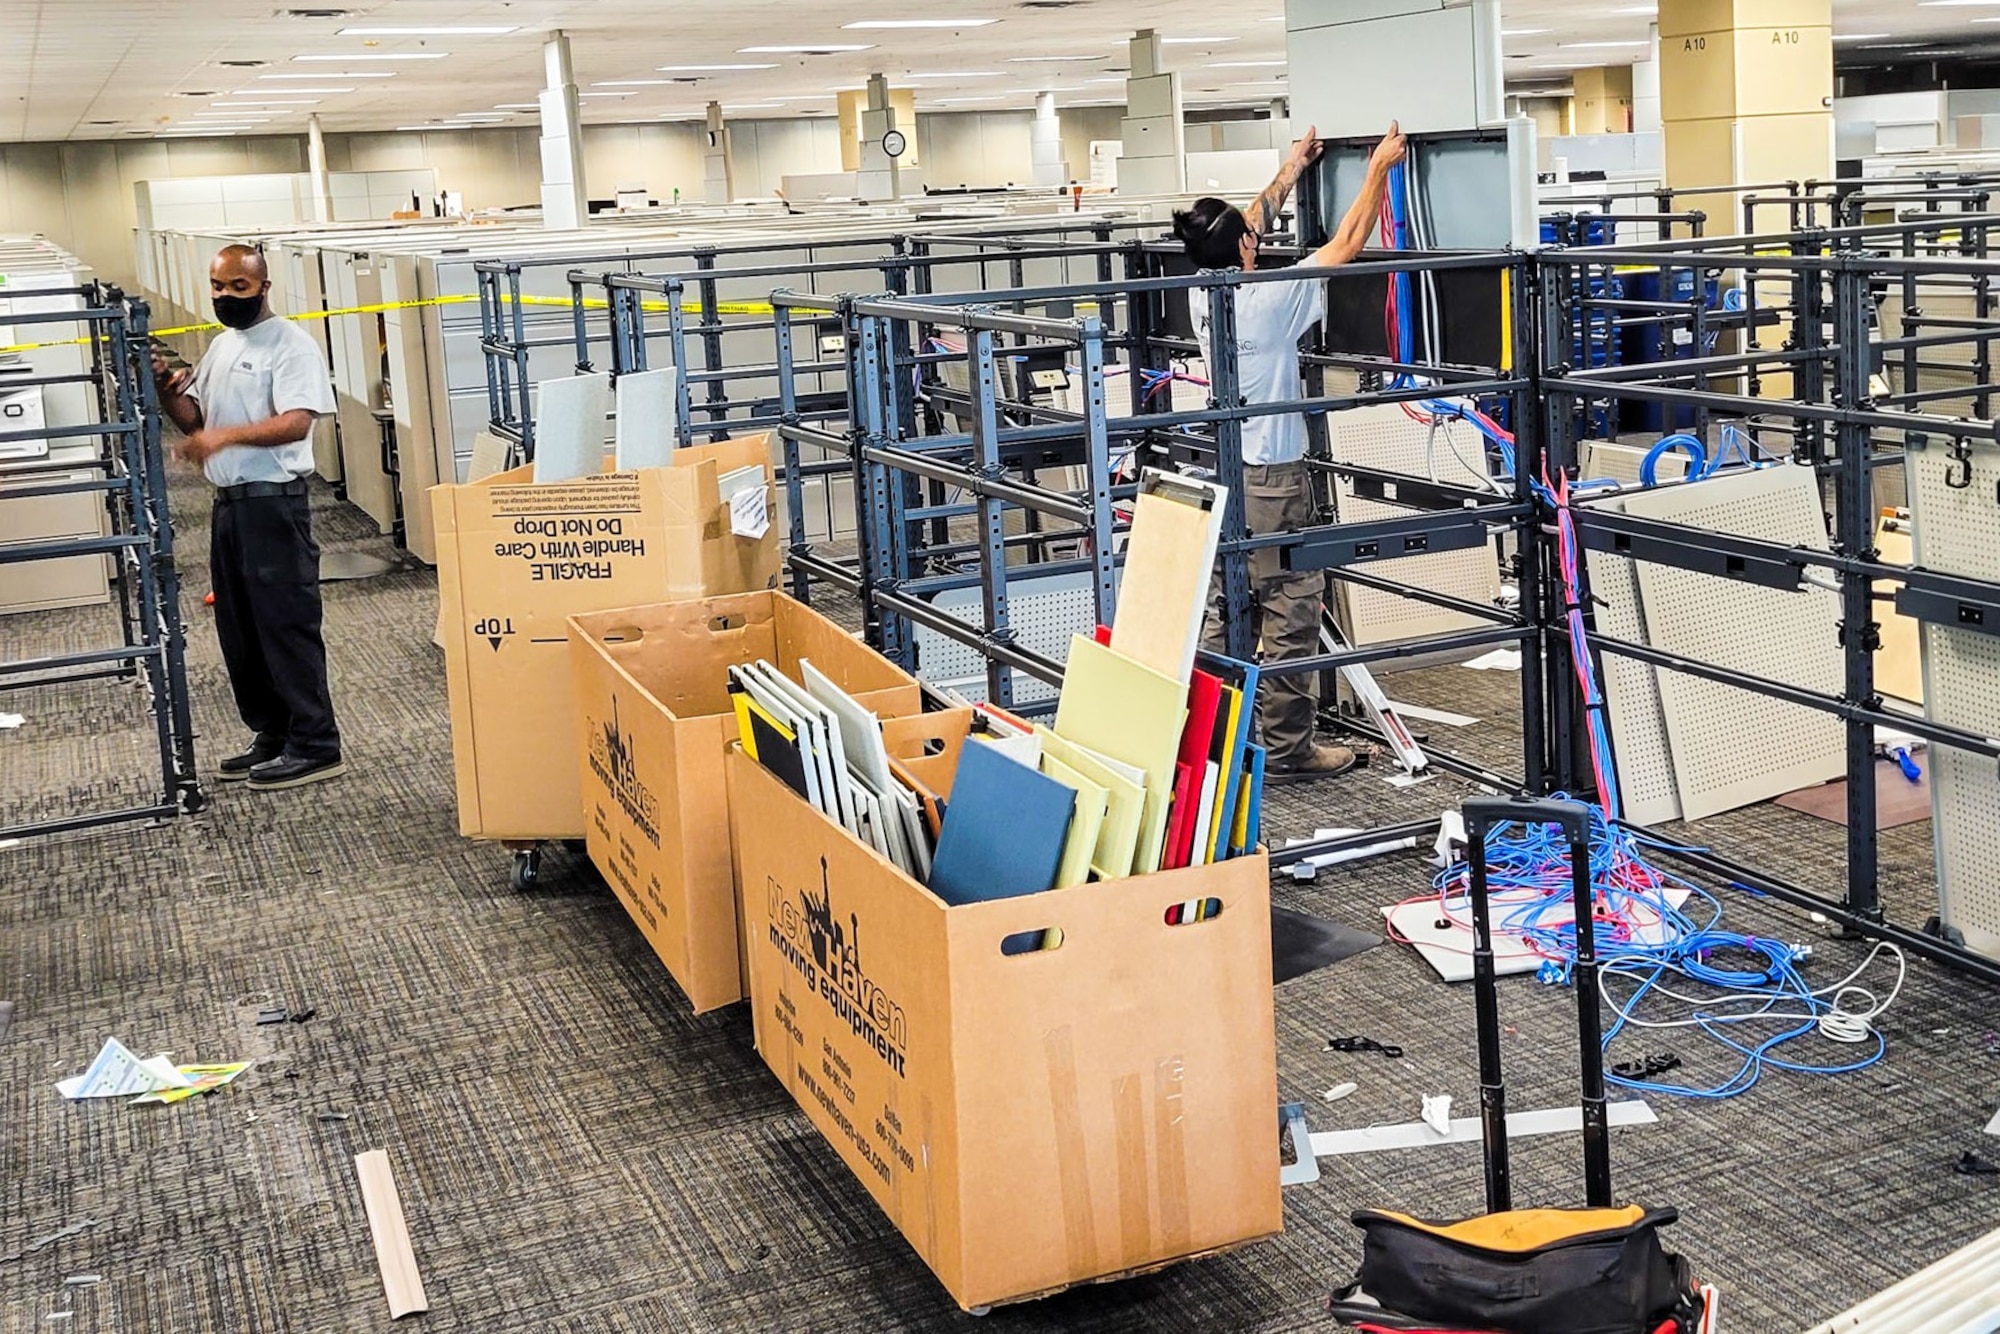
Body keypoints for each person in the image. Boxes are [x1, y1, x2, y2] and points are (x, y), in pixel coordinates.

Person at [1176, 121, 1406, 783]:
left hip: (1224, 469)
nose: (1259, 234)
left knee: (1228, 605)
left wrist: (1292, 169)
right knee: (1290, 604)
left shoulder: (1203, 289)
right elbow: (1348, 242)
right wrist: (1377, 169)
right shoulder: (1270, 300)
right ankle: (1285, 750)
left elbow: (1240, 224)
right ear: (1247, 249)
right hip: (1272, 475)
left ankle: (1212, 739)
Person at [153, 244, 345, 790]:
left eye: (238, 286)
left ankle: (316, 742)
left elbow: (295, 423)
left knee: (285, 625)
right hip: (230, 509)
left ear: (263, 287)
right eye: (218, 287)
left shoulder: (291, 345)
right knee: (241, 631)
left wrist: (222, 437)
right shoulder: (221, 346)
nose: (226, 296)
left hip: (274, 505)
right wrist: (168, 394)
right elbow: (198, 420)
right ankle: (273, 734)